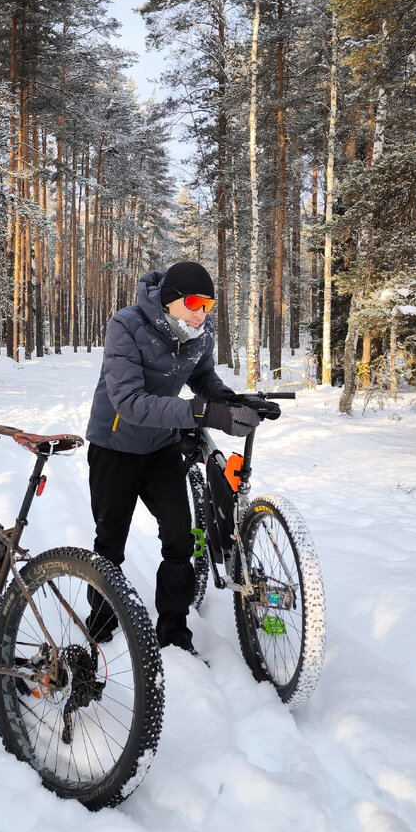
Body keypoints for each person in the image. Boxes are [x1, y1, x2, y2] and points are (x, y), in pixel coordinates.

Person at [84, 261, 263, 654]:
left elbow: (203, 378)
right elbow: (130, 403)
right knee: (111, 541)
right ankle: (100, 618)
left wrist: (232, 401)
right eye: (195, 303)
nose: (202, 314)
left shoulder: (200, 332)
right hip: (114, 446)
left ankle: (174, 627)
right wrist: (199, 413)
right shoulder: (126, 326)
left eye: (209, 306)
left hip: (161, 446)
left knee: (180, 539)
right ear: (170, 300)